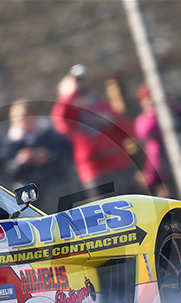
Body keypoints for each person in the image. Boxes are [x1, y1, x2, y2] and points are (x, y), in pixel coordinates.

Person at [51, 64, 143, 201]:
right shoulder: (68, 110)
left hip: (120, 165)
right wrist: (69, 95)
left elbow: (129, 132)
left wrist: (112, 121)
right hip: (95, 171)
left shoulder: (99, 104)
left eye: (81, 82)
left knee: (136, 206)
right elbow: (61, 124)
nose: (80, 86)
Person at [0, 99, 80, 213]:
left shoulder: (50, 135)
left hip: (58, 189)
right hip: (31, 197)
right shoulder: (10, 144)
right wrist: (20, 162)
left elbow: (69, 155)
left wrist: (50, 157)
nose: (28, 121)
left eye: (30, 116)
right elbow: (4, 173)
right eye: (23, 118)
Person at [134, 83, 181, 209]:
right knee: (169, 207)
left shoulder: (175, 109)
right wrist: (157, 111)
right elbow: (145, 131)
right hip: (162, 171)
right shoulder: (146, 118)